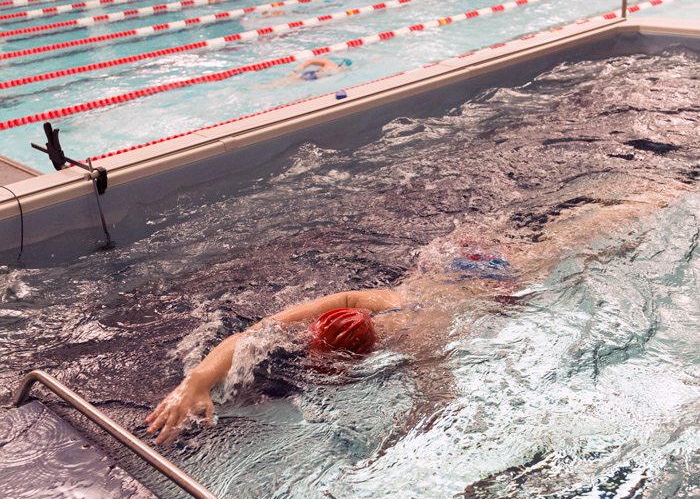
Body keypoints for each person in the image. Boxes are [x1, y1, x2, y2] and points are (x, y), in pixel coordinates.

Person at [145, 189, 673, 445]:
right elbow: (253, 336)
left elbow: (437, 405)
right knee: (562, 238)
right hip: (454, 263)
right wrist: (196, 381)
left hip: (492, 284)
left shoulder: (411, 332)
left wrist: (390, 445)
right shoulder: (363, 303)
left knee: (574, 249)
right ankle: (639, 202)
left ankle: (654, 203)